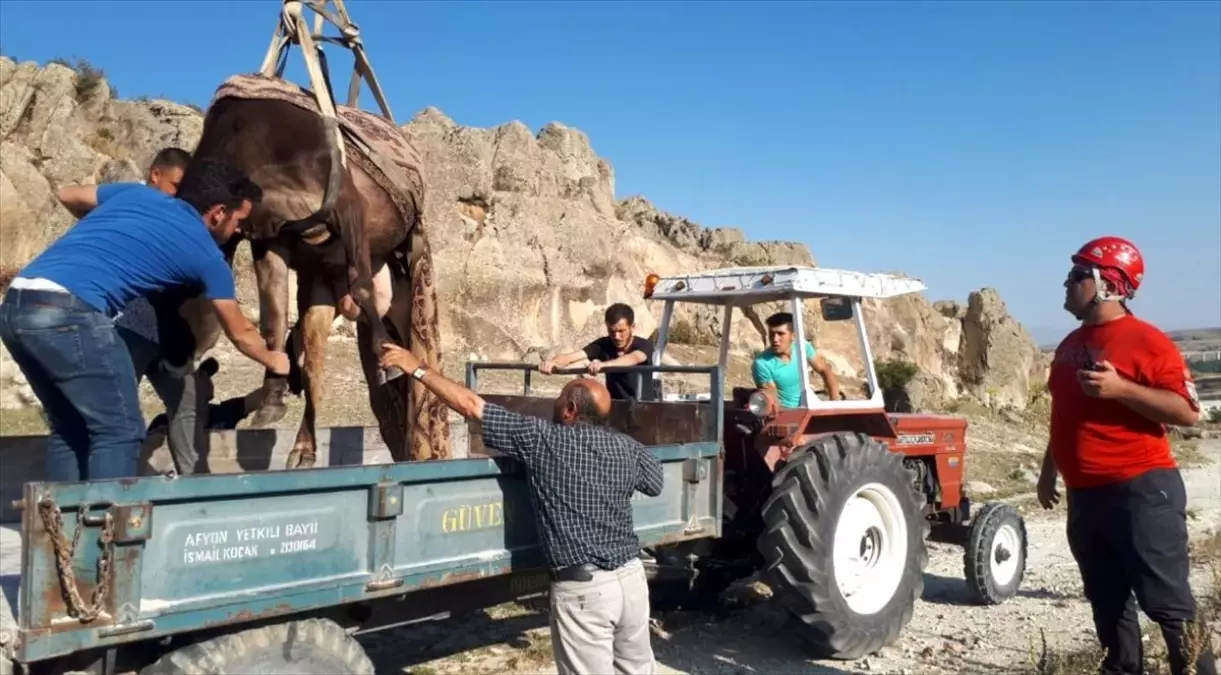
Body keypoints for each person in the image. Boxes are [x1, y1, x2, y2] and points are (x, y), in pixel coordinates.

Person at [378, 341, 664, 675]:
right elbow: (655, 483)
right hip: (631, 581)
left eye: (558, 399)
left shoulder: (543, 439)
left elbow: (472, 406)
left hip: (586, 592)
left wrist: (418, 368)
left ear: (570, 410)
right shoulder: (627, 447)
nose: (554, 404)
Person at [0, 160, 291, 483]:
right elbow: (241, 332)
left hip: (16, 305)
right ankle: (106, 528)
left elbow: (69, 194)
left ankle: (56, 528)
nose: (240, 231)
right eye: (240, 221)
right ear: (219, 212)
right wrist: (273, 359)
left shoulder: (138, 196)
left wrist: (117, 231)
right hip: (70, 313)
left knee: (72, 427)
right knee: (120, 432)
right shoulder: (207, 255)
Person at [1037, 236, 1216, 675]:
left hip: (1140, 490)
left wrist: (1123, 390)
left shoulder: (1146, 341)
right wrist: (1049, 471)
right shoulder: (1070, 343)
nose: (1066, 282)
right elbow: (1065, 411)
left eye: (1077, 275)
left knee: (1167, 604)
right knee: (1107, 601)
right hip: (1086, 495)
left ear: (1108, 284)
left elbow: (1188, 412)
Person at [71, 147, 212, 476]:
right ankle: (97, 490)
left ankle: (196, 486)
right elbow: (71, 196)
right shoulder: (129, 200)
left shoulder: (175, 211)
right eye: (176, 184)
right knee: (113, 413)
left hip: (166, 333)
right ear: (155, 175)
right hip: (126, 328)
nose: (180, 193)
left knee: (188, 402)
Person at [539, 302, 658, 402]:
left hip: (644, 408)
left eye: (621, 331)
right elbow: (573, 356)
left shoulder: (644, 345)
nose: (616, 336)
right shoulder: (604, 344)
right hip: (616, 407)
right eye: (611, 331)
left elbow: (633, 358)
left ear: (632, 327)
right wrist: (552, 362)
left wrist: (603, 365)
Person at [751, 311, 839, 407]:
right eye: (772, 334)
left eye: (780, 334)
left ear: (793, 336)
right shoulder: (762, 363)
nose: (775, 339)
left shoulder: (802, 346)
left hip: (808, 403)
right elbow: (772, 399)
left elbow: (825, 370)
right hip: (787, 413)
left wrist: (835, 406)